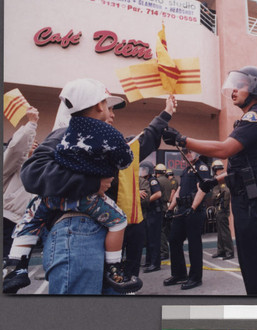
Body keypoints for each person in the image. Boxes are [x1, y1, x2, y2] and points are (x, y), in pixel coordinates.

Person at [19, 81, 175, 294]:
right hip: (76, 229)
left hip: (101, 230)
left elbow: (140, 142)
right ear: (94, 106)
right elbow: (32, 173)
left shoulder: (105, 144)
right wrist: (91, 183)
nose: (113, 113)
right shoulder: (65, 135)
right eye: (108, 106)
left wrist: (165, 114)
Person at [162, 66, 257, 296]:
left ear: (255, 88)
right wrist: (214, 181)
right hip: (248, 198)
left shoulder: (256, 117)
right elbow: (244, 168)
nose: (234, 90)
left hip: (255, 201)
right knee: (249, 263)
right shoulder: (248, 119)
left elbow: (224, 149)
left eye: (241, 85)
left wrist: (182, 139)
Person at [163, 149, 210, 290]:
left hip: (194, 210)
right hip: (182, 209)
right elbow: (179, 189)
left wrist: (194, 207)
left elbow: (202, 188)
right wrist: (171, 208)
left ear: (197, 153)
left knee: (194, 244)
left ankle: (195, 278)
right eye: (185, 152)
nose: (187, 154)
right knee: (174, 239)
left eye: (189, 152)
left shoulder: (201, 168)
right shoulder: (186, 170)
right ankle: (179, 274)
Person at [3, 107, 39, 262]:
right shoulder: (10, 165)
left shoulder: (36, 170)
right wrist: (31, 124)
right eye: (31, 142)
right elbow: (17, 150)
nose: (34, 145)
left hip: (27, 227)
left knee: (16, 275)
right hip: (8, 221)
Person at [209, 160, 234, 260]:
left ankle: (229, 252)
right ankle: (221, 250)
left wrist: (222, 205)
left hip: (222, 207)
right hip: (218, 207)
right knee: (219, 230)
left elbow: (226, 193)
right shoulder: (217, 179)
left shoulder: (223, 179)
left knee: (224, 231)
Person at [141, 161, 163, 273]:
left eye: (144, 169)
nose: (142, 171)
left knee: (154, 238)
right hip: (149, 212)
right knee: (149, 238)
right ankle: (149, 261)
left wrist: (146, 201)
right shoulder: (145, 181)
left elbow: (158, 194)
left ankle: (155, 263)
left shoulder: (152, 180)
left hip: (155, 212)